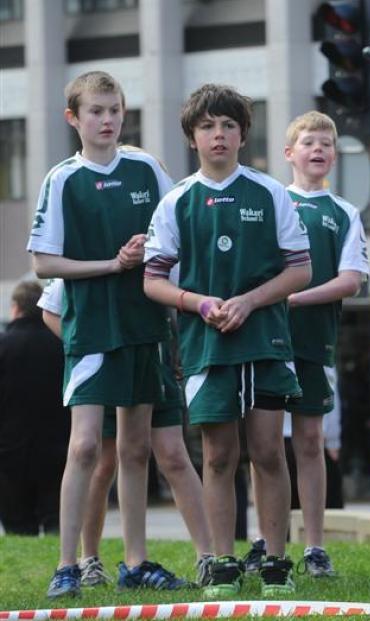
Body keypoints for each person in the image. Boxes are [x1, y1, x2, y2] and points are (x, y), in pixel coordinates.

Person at [143, 83, 311, 598]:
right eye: (208, 126)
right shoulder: (177, 203)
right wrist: (201, 303)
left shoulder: (269, 192)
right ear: (192, 138)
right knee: (217, 454)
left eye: (228, 126)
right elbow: (153, 281)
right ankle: (220, 561)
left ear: (243, 134)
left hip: (265, 341)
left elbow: (300, 270)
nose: (219, 135)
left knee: (267, 450)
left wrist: (249, 301)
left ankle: (277, 560)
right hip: (206, 347)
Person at [27, 71, 186, 599]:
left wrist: (155, 264)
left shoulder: (146, 169)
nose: (108, 119)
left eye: (115, 109)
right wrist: (113, 264)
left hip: (146, 327)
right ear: (73, 118)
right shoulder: (61, 179)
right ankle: (67, 565)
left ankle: (136, 561)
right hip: (92, 331)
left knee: (137, 448)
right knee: (86, 446)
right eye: (96, 111)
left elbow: (173, 238)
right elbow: (43, 261)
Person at [38, 277, 214, 588]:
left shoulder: (158, 242)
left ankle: (207, 557)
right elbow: (51, 307)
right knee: (101, 459)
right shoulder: (94, 246)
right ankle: (87, 559)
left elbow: (178, 294)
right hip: (106, 358)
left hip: (154, 361)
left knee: (171, 454)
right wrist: (84, 348)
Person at [269, 110, 369, 578]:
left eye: (327, 143)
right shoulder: (271, 202)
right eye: (309, 142)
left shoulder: (344, 213)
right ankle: (267, 543)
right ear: (289, 153)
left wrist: (292, 297)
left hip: (315, 346)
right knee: (265, 446)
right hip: (267, 344)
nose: (318, 150)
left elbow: (350, 280)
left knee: (310, 442)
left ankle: (314, 546)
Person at [0, 281, 68, 537]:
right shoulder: (61, 345)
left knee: (18, 526)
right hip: (58, 447)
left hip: (10, 450)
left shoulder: (4, 345)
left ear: (15, 308)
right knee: (55, 522)